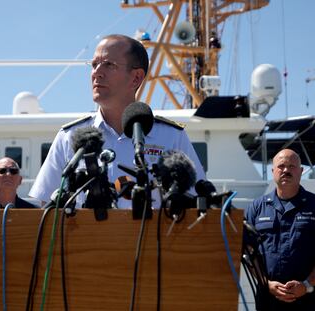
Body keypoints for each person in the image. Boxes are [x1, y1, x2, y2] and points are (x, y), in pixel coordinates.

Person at [29, 34, 205, 208]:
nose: (97, 72)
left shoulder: (172, 136)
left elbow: (197, 201)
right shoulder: (70, 136)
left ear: (136, 78)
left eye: (109, 65)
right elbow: (48, 207)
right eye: (94, 64)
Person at [245, 149, 315, 310]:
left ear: (301, 171)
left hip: (309, 299)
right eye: (281, 166)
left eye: (292, 166)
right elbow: (248, 253)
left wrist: (306, 285)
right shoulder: (256, 208)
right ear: (273, 171)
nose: (286, 170)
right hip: (268, 300)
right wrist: (266, 283)